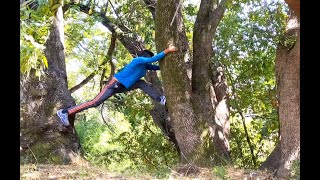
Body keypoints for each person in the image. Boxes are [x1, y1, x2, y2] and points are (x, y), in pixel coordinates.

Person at [57, 45, 178, 126]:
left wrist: (170, 63)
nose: (150, 59)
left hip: (124, 86)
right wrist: (168, 50)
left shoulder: (145, 67)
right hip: (115, 84)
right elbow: (154, 59)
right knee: (95, 102)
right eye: (149, 57)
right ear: (145, 56)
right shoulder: (139, 60)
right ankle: (65, 112)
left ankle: (160, 99)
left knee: (141, 83)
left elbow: (158, 67)